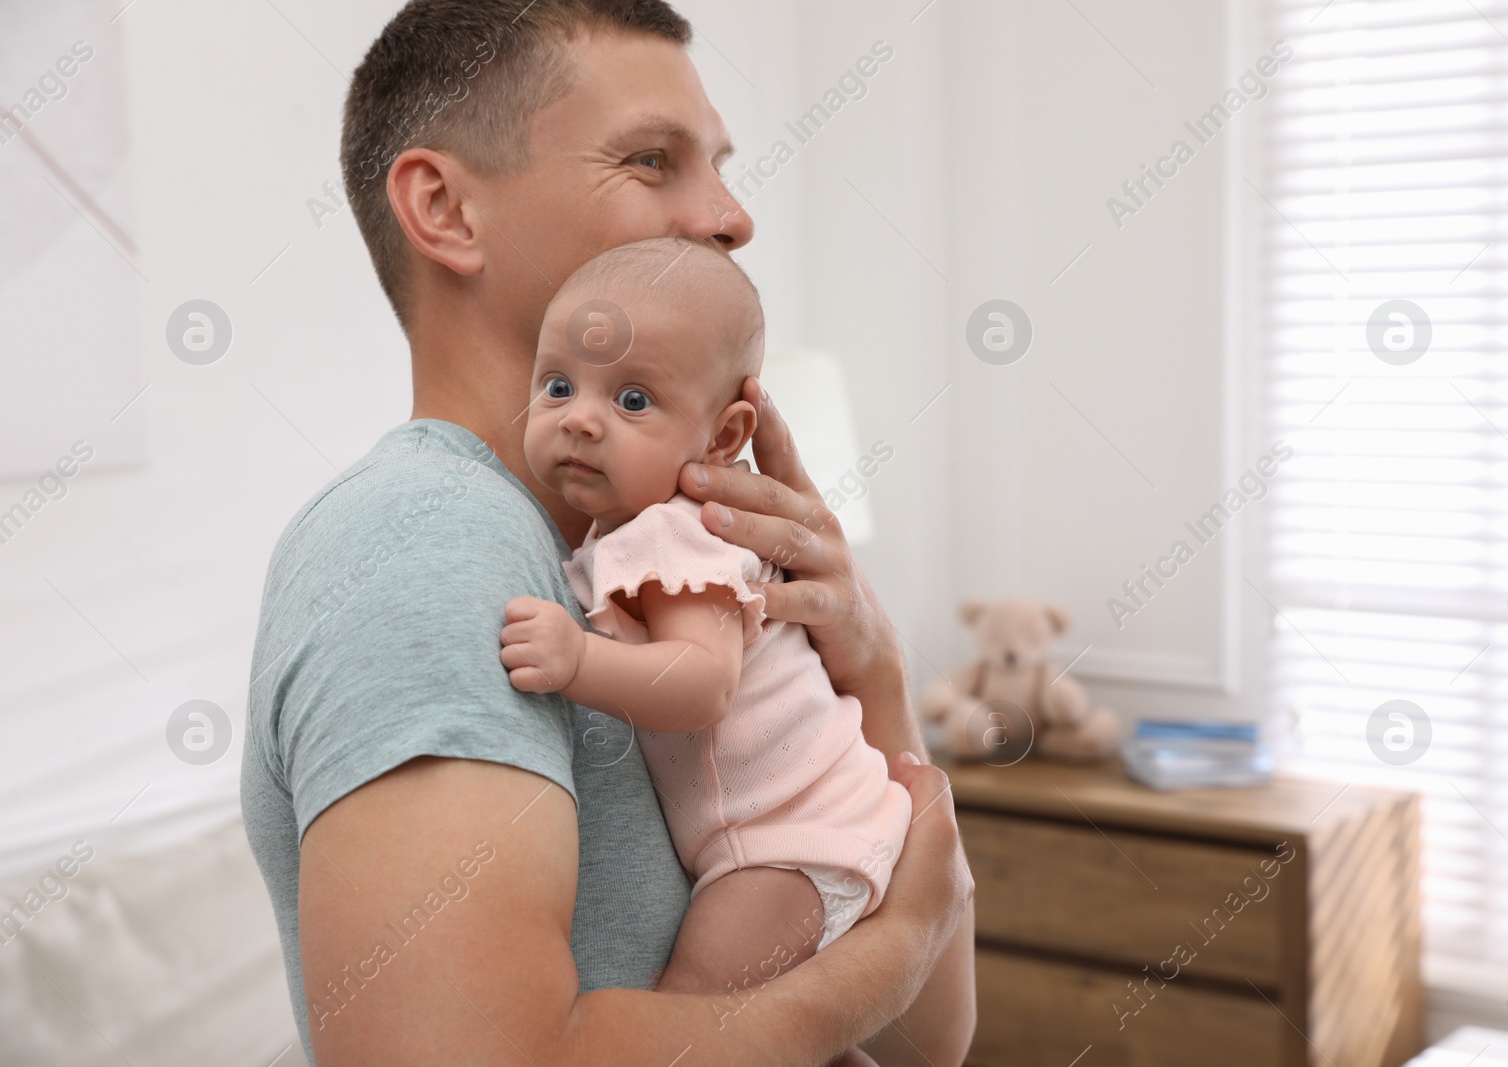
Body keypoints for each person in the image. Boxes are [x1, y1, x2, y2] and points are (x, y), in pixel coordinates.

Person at [239, 2, 975, 1066]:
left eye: (718, 165)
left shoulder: (664, 551)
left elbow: (928, 1046)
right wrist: (896, 946)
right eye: (650, 159)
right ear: (446, 209)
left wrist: (876, 678)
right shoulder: (424, 542)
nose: (729, 214)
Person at [500, 236, 911, 1066]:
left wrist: (579, 665)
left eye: (635, 399)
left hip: (798, 840)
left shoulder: (674, 538)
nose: (580, 416)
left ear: (723, 440)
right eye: (557, 385)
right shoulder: (629, 533)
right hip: (795, 835)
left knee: (689, 1023)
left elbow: (703, 682)